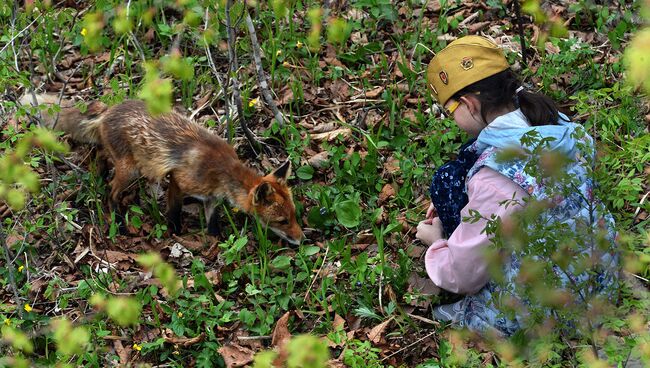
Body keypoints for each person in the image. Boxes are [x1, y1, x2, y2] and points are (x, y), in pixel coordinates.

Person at [415, 35, 618, 337]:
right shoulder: (565, 130)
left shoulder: (496, 179)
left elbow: (464, 273)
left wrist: (436, 243)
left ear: (469, 103)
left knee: (449, 312)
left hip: (542, 315)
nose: (451, 118)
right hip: (598, 289)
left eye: (449, 111)